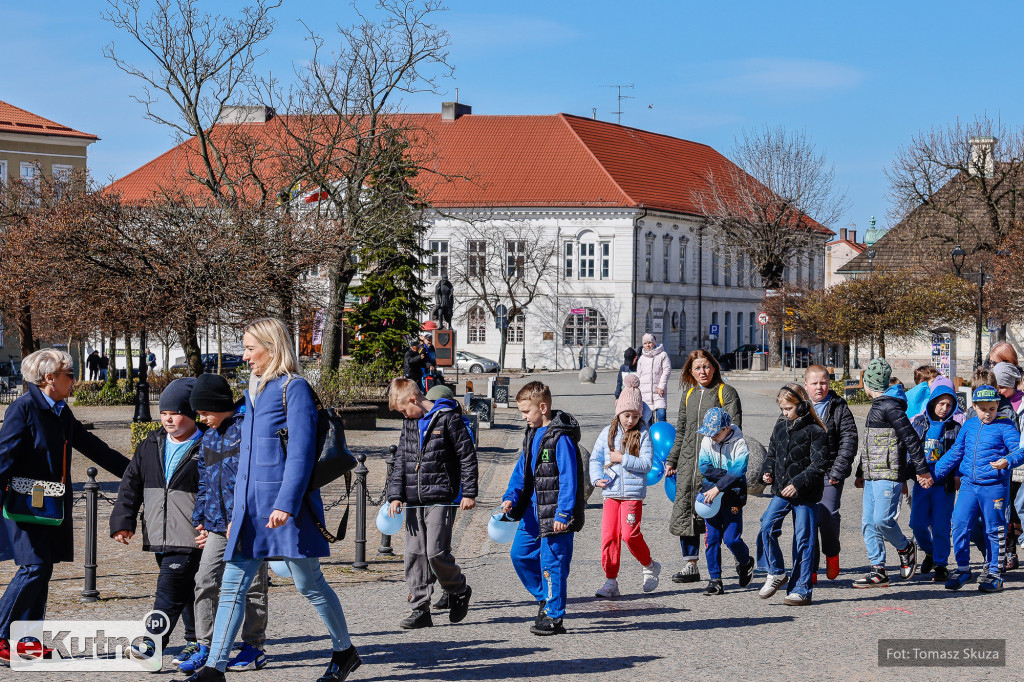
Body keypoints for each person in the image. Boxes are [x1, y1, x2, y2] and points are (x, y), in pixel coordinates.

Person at [178, 318, 358, 682]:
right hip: (250, 511)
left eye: (249, 348)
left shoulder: (295, 388)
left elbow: (302, 453)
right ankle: (214, 668)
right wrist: (237, 510)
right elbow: (246, 459)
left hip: (283, 509)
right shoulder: (255, 388)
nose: (244, 357)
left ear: (272, 348)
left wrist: (286, 504)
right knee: (232, 583)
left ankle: (345, 650)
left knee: (309, 584)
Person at [0, 349, 129, 663]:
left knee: (42, 570)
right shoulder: (24, 408)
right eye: (69, 374)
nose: (74, 380)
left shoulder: (60, 410)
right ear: (49, 378)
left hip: (49, 505)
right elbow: (3, 456)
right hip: (23, 504)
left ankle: (24, 641)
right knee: (35, 567)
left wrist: (136, 474)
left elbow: (93, 447)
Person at [110, 378, 204, 662]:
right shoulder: (151, 443)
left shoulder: (208, 446)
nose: (168, 419)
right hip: (160, 534)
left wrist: (211, 525)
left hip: (191, 534)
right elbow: (130, 484)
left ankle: (151, 645)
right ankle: (196, 640)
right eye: (163, 413)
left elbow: (218, 491)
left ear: (191, 413)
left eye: (174, 413)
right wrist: (122, 521)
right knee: (184, 588)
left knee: (168, 589)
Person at [181, 374, 269, 675]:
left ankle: (253, 646)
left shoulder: (248, 431)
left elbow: (257, 480)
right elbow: (205, 483)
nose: (201, 418)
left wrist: (240, 519)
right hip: (218, 525)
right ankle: (206, 645)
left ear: (219, 406)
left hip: (249, 523)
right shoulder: (208, 437)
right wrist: (201, 521)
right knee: (204, 580)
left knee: (254, 586)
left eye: (204, 412)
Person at [386, 377, 477, 630]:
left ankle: (458, 589)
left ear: (414, 399)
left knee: (436, 552)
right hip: (415, 500)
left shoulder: (448, 418)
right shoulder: (409, 424)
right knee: (414, 554)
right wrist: (395, 495)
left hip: (441, 496)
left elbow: (467, 456)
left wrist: (469, 492)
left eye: (405, 409)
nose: (405, 415)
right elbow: (401, 462)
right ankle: (420, 609)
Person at [500, 381, 584, 636]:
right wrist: (510, 497)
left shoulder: (561, 439)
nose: (523, 417)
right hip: (531, 513)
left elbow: (570, 478)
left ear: (543, 407)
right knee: (520, 555)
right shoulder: (530, 434)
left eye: (526, 412)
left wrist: (563, 513)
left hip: (555, 514)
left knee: (553, 564)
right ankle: (545, 598)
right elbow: (521, 471)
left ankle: (554, 616)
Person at [852, 357, 934, 588]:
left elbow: (911, 439)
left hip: (889, 473)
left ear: (869, 385)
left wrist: (922, 471)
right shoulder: (879, 406)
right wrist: (861, 471)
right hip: (872, 474)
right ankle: (878, 569)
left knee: (883, 520)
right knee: (868, 523)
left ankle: (905, 547)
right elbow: (870, 444)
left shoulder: (891, 406)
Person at [934, 385, 1024, 592]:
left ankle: (994, 573)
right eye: (983, 409)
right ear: (974, 406)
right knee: (958, 524)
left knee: (994, 529)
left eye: (992, 409)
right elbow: (956, 452)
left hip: (994, 487)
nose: (987, 414)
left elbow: (1020, 451)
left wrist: (1007, 461)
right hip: (968, 485)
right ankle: (963, 569)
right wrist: (933, 475)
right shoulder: (969, 425)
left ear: (997, 406)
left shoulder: (1006, 425)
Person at [664, 349, 742, 585]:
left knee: (716, 514)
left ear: (714, 367)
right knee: (687, 510)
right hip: (689, 461)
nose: (702, 372)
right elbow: (681, 431)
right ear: (690, 371)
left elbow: (735, 427)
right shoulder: (688, 395)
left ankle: (737, 558)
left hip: (714, 463)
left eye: (706, 366)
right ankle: (691, 564)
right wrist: (672, 459)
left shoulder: (725, 392)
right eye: (697, 368)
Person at [590, 375, 661, 599]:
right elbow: (594, 459)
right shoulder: (606, 433)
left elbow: (647, 464)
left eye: (635, 416)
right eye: (626, 415)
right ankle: (611, 580)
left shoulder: (643, 434)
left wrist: (623, 459)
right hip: (610, 492)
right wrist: (595, 478)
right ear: (618, 412)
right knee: (609, 536)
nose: (630, 420)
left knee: (630, 535)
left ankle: (649, 565)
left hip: (632, 494)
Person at [757, 384, 829, 606]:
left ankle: (801, 589)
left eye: (789, 408)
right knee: (766, 525)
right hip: (781, 490)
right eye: (782, 408)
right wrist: (766, 473)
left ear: (802, 405)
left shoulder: (816, 431)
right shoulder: (780, 426)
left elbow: (819, 465)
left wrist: (798, 483)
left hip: (805, 493)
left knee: (804, 539)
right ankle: (777, 572)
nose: (785, 413)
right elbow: (771, 455)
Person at [803, 365, 858, 582]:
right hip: (806, 474)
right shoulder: (799, 407)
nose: (819, 387)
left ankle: (832, 553)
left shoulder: (839, 407)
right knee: (808, 520)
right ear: (806, 386)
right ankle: (811, 567)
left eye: (823, 383)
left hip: (830, 471)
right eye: (814, 383)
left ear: (829, 383)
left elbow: (849, 440)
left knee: (827, 515)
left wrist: (838, 470)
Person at [909, 381, 964, 582]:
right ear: (932, 403)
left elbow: (960, 454)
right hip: (922, 483)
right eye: (941, 403)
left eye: (949, 405)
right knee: (917, 523)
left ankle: (941, 563)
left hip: (944, 485)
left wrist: (958, 474)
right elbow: (911, 450)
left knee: (941, 526)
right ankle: (930, 551)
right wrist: (912, 472)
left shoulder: (956, 428)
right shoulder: (919, 423)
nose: (944, 408)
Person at [695, 408, 754, 595]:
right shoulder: (707, 440)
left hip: (732, 496)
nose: (711, 436)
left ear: (727, 428)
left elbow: (738, 470)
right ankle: (715, 580)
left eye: (716, 432)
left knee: (731, 539)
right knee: (711, 539)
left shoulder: (739, 444)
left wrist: (719, 486)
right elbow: (704, 466)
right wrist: (725, 479)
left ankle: (745, 562)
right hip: (710, 496)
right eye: (709, 432)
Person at [635, 334, 671, 423]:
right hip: (645, 393)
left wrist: (661, 386)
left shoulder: (663, 355)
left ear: (654, 343)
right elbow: (639, 375)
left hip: (658, 391)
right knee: (647, 419)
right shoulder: (642, 358)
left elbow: (667, 370)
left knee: (661, 416)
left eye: (650, 342)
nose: (647, 345)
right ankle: (649, 436)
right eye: (645, 343)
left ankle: (663, 435)